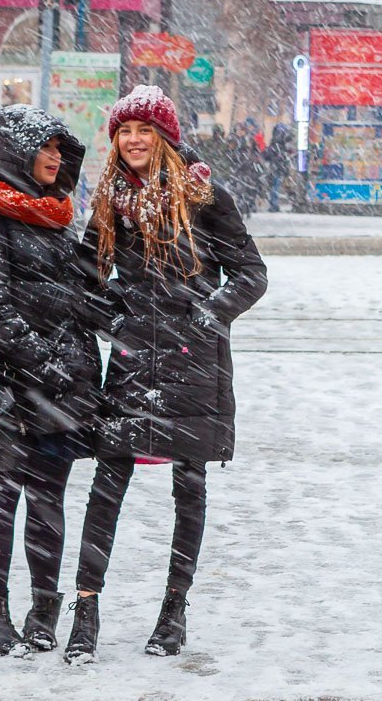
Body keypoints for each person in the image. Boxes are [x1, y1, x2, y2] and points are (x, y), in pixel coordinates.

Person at [64, 85, 268, 663]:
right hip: (132, 362)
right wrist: (116, 319)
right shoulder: (108, 201)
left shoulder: (205, 197)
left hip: (194, 362)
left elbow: (251, 273)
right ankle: (86, 609)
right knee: (107, 486)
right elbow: (83, 279)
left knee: (190, 487)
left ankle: (173, 611)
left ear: (165, 138)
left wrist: (206, 317)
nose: (133, 140)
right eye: (125, 131)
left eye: (145, 131)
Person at [0, 104, 107, 657]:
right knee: (0, 498)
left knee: (48, 500)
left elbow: (76, 298)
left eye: (58, 149)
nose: (53, 158)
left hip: (57, 390)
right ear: (13, 154)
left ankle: (44, 609)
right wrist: (43, 362)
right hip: (4, 389)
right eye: (43, 147)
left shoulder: (54, 217)